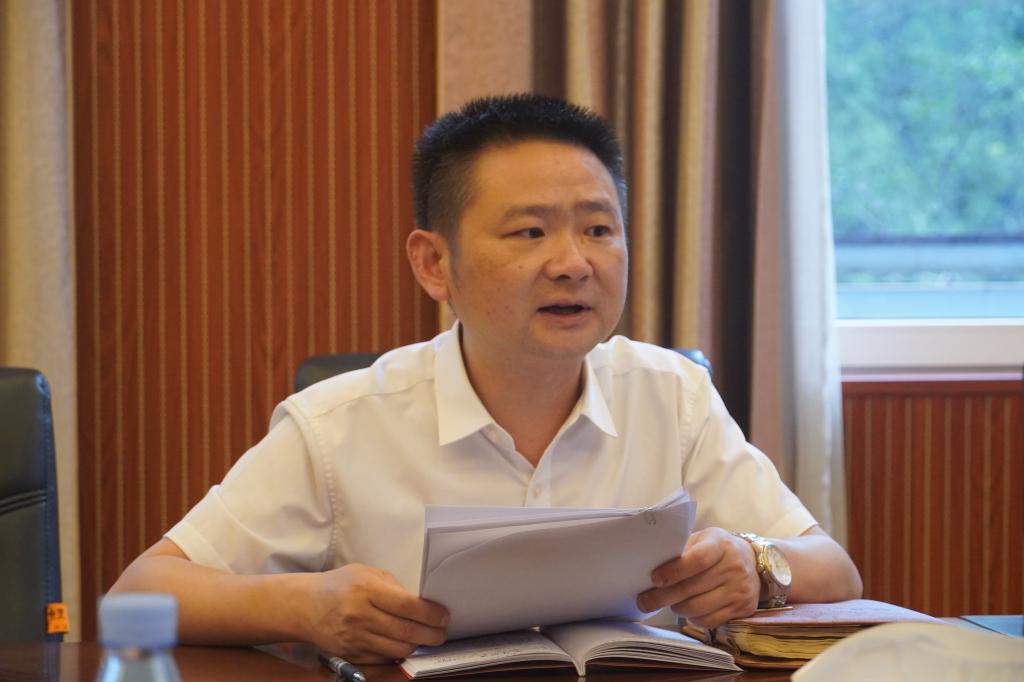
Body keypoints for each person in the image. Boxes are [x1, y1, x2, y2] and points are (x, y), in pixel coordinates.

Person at [111, 93, 862, 663]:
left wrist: (756, 565)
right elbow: (139, 593)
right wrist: (305, 607)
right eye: (530, 232)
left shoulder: (673, 395)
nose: (573, 263)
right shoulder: (340, 424)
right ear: (434, 264)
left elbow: (836, 571)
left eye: (599, 229)